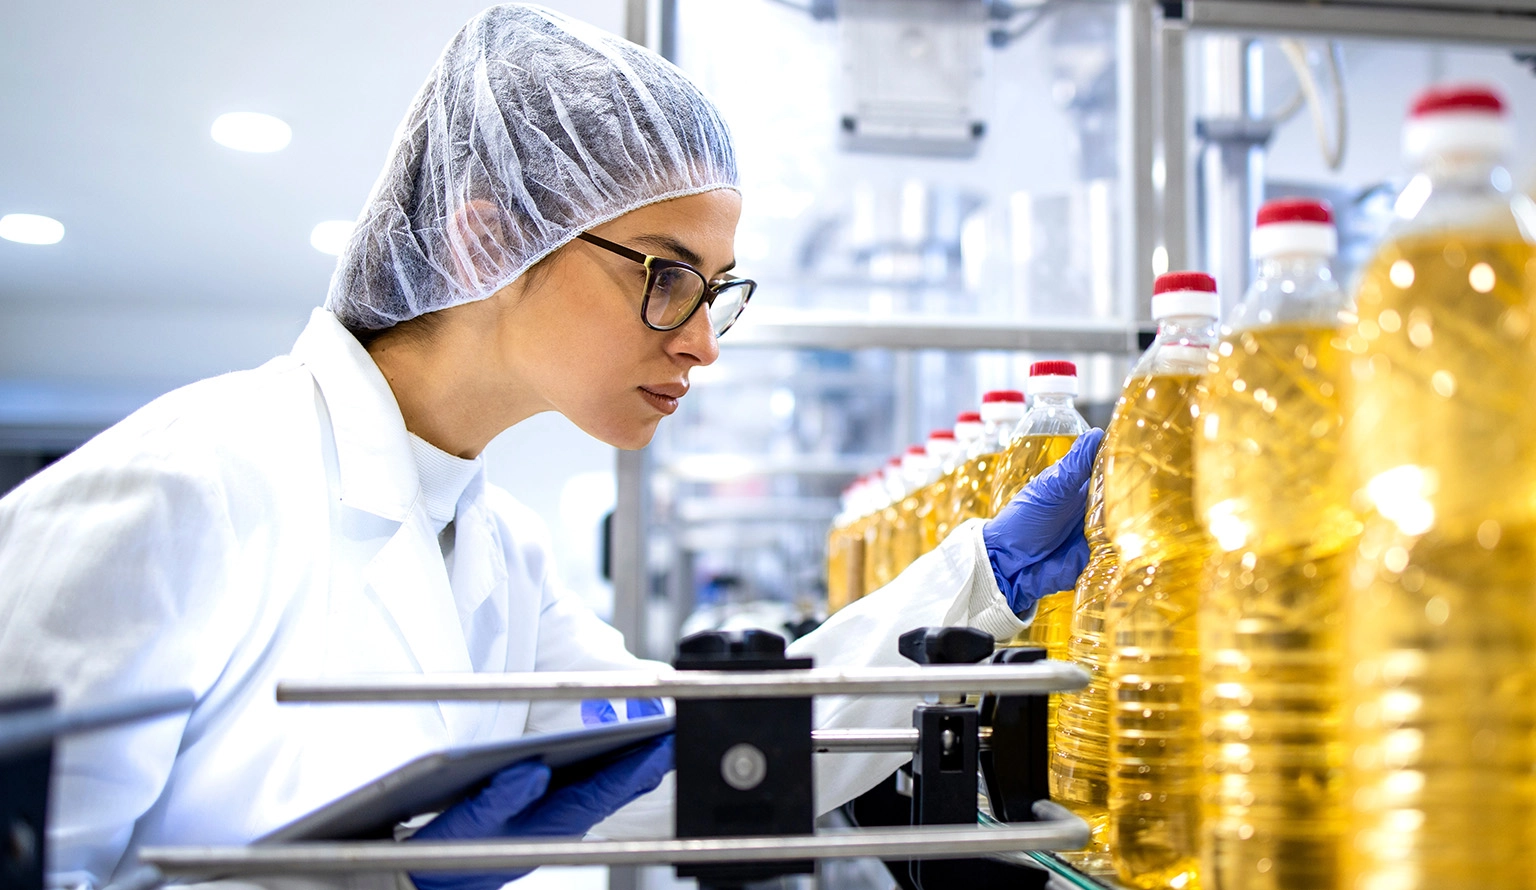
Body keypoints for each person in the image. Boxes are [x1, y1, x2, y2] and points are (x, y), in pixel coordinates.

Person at [0, 6, 1102, 890]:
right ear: (490, 232)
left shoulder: (496, 552)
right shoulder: (186, 486)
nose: (703, 340)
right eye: (667, 275)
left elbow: (708, 758)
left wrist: (983, 578)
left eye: (717, 289)